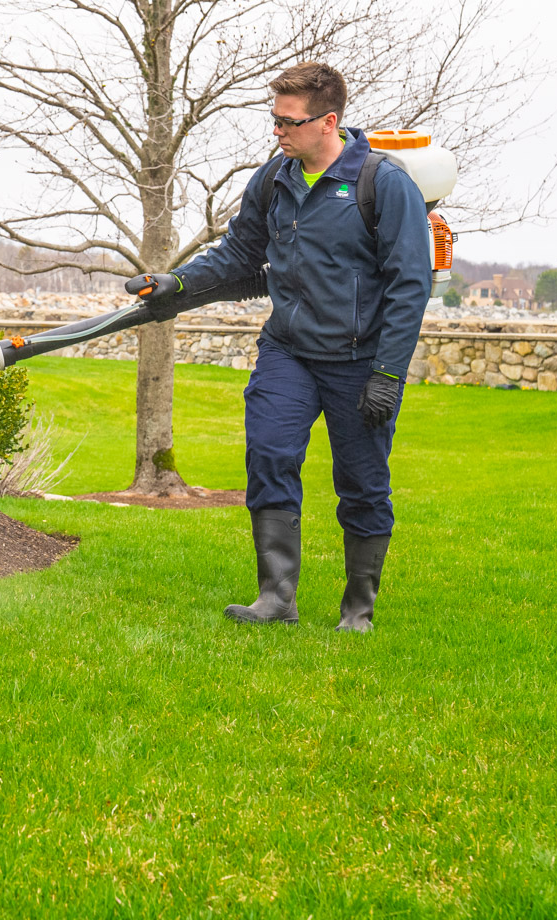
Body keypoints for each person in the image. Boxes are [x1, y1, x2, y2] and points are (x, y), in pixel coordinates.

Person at [123, 62, 430, 631]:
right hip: (288, 350)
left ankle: (358, 609)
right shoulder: (274, 179)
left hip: (359, 360)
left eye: (289, 121)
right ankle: (276, 599)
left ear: (328, 121)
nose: (278, 131)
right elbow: (238, 255)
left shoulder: (382, 184)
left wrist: (388, 372)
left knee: (362, 481)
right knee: (268, 455)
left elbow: (411, 285)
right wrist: (177, 283)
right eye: (275, 119)